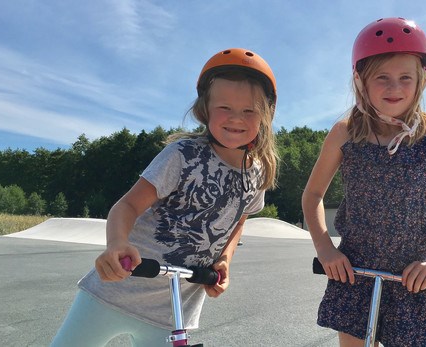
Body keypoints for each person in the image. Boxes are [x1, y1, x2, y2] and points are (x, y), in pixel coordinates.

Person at [51, 47, 278, 347]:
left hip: (173, 311)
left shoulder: (257, 173)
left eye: (249, 110)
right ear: (205, 109)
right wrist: (117, 243)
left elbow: (238, 221)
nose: (236, 118)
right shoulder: (182, 156)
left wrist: (224, 260)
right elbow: (128, 205)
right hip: (117, 290)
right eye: (224, 107)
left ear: (264, 115)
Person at [302, 18, 426, 346]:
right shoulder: (344, 132)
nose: (395, 88)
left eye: (405, 78)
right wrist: (325, 249)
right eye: (382, 78)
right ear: (360, 80)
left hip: (412, 279)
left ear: (421, 80)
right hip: (354, 273)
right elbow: (313, 194)